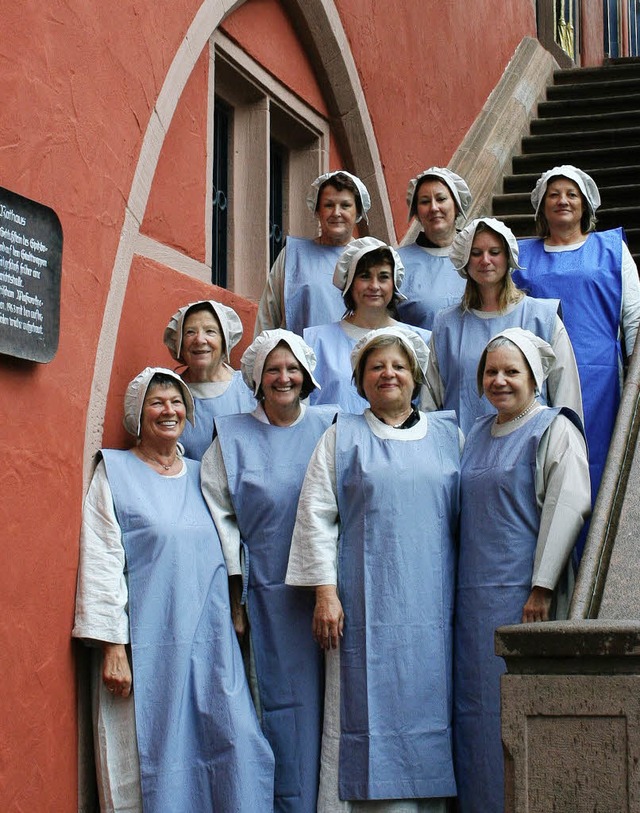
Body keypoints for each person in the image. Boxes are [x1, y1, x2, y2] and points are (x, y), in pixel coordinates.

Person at [72, 367, 274, 813]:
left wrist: (239, 614)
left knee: (234, 744)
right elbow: (103, 560)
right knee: (154, 757)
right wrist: (112, 647)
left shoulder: (206, 475)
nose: (169, 410)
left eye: (177, 401)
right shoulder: (116, 473)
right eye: (157, 402)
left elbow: (235, 547)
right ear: (137, 414)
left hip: (212, 645)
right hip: (148, 647)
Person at [286, 327, 460, 812]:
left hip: (435, 609)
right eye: (377, 367)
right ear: (361, 380)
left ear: (416, 376)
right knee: (364, 708)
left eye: (399, 366)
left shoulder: (451, 436)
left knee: (433, 707)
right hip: (363, 608)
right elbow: (317, 515)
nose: (389, 374)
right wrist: (325, 592)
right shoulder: (341, 438)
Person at [454, 329, 590, 813]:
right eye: (491, 372)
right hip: (472, 607)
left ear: (534, 377)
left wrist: (542, 586)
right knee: (477, 717)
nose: (500, 380)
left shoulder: (555, 429)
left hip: (525, 603)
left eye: (512, 371)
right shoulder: (472, 435)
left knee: (517, 712)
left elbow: (568, 505)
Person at [200, 330, 337, 813]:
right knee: (281, 708)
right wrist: (238, 595)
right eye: (274, 370)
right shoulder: (232, 437)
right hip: (268, 596)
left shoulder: (332, 425)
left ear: (307, 375)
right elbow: (220, 519)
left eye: (292, 368)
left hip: (331, 593)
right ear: (257, 378)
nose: (284, 377)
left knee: (335, 704)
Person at [513, 164, 640, 516]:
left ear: (585, 204)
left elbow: (634, 318)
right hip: (538, 382)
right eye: (554, 194)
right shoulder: (520, 258)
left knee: (598, 463)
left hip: (600, 381)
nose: (563, 201)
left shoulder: (611, 249)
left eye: (571, 194)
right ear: (541, 206)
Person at [424, 216, 582, 435]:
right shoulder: (446, 326)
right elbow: (430, 401)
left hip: (531, 452)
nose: (485, 260)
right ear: (464, 260)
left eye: (494, 252)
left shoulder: (541, 317)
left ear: (508, 257)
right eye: (476, 253)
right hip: (464, 456)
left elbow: (566, 395)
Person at [304, 237, 430, 413]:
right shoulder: (315, 342)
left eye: (383, 277)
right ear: (349, 282)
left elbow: (428, 411)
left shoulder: (421, 341)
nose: (374, 286)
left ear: (394, 283)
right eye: (365, 276)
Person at [254, 170, 371, 336]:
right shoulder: (293, 256)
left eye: (345, 205)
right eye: (329, 205)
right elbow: (268, 317)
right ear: (317, 211)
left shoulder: (369, 258)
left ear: (358, 211)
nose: (336, 213)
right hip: (301, 359)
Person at [163, 299, 256, 460]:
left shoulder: (249, 388)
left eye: (210, 331)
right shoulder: (166, 392)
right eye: (190, 332)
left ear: (225, 340)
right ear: (179, 344)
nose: (199, 340)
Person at [396, 166, 472, 330]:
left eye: (441, 199)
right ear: (416, 212)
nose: (434, 208)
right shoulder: (397, 262)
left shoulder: (480, 257)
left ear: (457, 205)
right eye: (424, 201)